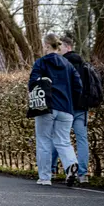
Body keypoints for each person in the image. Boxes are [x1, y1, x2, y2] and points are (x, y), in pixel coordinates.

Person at [29, 32, 82, 187]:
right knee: (63, 141)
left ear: (46, 46)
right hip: (66, 108)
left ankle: (45, 178)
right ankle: (71, 164)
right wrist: (70, 101)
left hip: (46, 107)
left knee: (44, 140)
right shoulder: (68, 65)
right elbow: (78, 86)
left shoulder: (41, 62)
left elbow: (32, 84)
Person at [51, 33, 90, 183]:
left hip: (65, 107)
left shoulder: (61, 64)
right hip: (81, 108)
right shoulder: (83, 64)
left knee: (59, 138)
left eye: (60, 47)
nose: (58, 50)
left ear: (67, 47)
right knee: (82, 140)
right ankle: (83, 174)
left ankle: (52, 170)